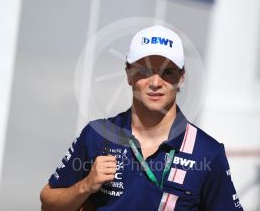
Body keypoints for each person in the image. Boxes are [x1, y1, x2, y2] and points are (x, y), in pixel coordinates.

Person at [40, 25, 243, 210]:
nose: (155, 82)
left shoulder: (207, 152)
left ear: (181, 78)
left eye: (168, 72)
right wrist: (85, 186)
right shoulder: (97, 134)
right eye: (144, 71)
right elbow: (47, 203)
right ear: (128, 74)